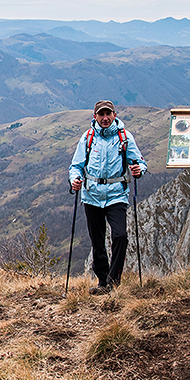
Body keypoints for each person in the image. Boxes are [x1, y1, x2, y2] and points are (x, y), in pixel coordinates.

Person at [68, 100, 144, 294]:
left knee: (120, 236)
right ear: (95, 117)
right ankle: (103, 282)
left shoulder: (125, 137)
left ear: (114, 115)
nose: (105, 118)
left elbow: (139, 162)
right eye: (101, 114)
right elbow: (76, 166)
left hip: (116, 195)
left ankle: (113, 280)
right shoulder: (88, 138)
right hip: (91, 196)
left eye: (108, 114)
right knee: (97, 241)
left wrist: (138, 170)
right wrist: (75, 179)